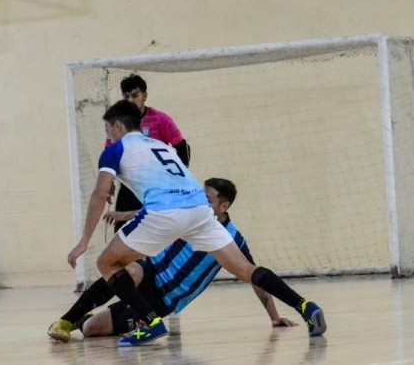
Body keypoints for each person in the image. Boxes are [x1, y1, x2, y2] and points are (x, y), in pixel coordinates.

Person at [67, 100, 326, 347]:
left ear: (119, 126)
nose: (108, 136)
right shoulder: (160, 146)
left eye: (108, 130)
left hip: (164, 214)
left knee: (106, 262)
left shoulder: (114, 150)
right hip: (200, 210)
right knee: (247, 269)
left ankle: (150, 322)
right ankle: (305, 306)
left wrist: (83, 243)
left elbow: (100, 195)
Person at [48, 178, 297, 342]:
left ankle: (86, 320)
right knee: (128, 268)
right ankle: (68, 319)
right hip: (150, 272)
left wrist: (274, 317)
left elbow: (255, 278)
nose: (199, 202)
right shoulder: (189, 215)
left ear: (224, 206)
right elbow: (159, 213)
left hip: (164, 299)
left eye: (207, 200)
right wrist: (124, 214)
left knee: (92, 330)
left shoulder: (233, 241)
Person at [111, 74, 191, 232]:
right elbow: (110, 154)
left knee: (159, 231)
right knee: (122, 231)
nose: (130, 101)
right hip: (130, 186)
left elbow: (182, 147)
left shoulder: (161, 120)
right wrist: (108, 181)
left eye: (135, 95)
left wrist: (178, 179)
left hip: (157, 186)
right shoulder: (118, 124)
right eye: (126, 96)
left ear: (144, 96)